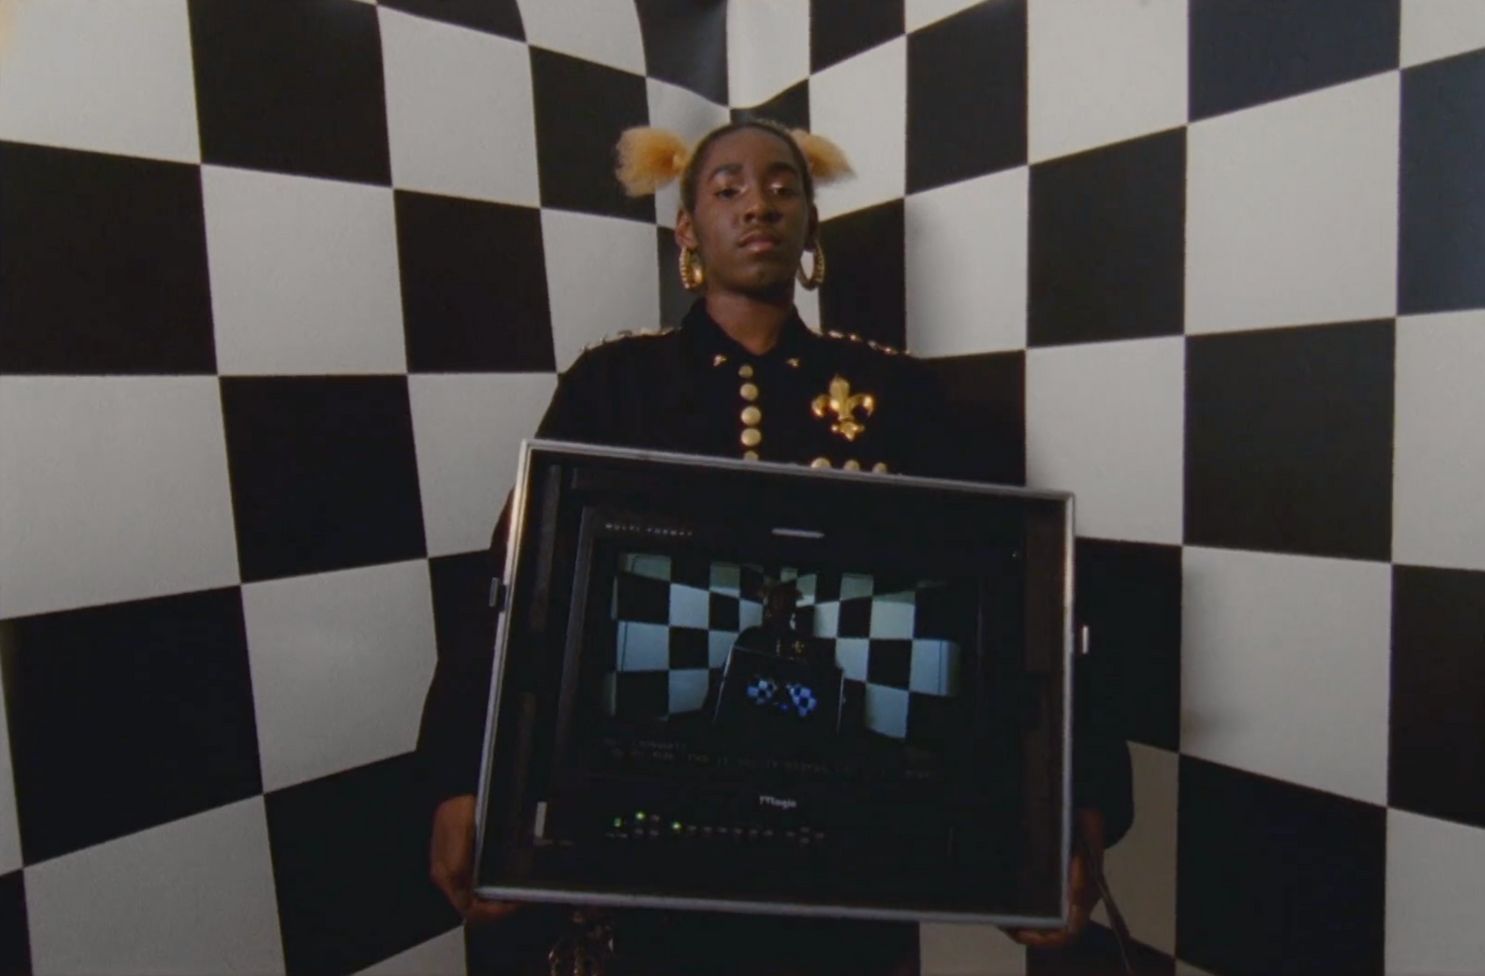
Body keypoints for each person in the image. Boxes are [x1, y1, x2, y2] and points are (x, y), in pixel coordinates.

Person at [417, 119, 1133, 976]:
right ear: (688, 230)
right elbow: (517, 579)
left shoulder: (897, 391)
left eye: (784, 186)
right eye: (727, 189)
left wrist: (1075, 794)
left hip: (855, 835)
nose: (759, 203)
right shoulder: (615, 384)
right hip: (650, 824)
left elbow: (1018, 586)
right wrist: (464, 773)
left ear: (809, 228)